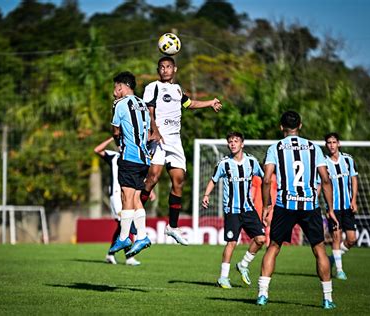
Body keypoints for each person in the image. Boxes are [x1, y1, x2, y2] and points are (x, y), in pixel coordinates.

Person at [257, 111, 339, 309]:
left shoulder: (275, 147)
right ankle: (327, 299)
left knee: (273, 247)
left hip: (285, 205)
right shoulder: (313, 147)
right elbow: (326, 179)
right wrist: (330, 209)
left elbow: (267, 179)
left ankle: (262, 294)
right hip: (309, 205)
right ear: (300, 125)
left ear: (281, 127)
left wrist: (267, 206)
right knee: (319, 250)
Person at [140, 56, 223, 245]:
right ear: (158, 70)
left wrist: (209, 103)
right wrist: (154, 130)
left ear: (175, 69)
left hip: (175, 140)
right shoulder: (152, 87)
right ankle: (135, 210)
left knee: (179, 180)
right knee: (153, 177)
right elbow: (149, 110)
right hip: (158, 137)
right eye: (161, 67)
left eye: (168, 67)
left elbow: (189, 104)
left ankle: (173, 227)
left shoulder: (177, 89)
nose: (165, 70)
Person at [202, 132, 266, 289]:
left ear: (242, 144)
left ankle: (243, 264)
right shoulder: (224, 163)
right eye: (230, 141)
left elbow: (266, 178)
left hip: (249, 209)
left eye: (236, 141)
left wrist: (269, 203)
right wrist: (206, 195)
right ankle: (223, 278)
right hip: (232, 210)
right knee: (231, 242)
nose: (233, 144)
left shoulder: (252, 162)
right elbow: (213, 179)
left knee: (261, 239)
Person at [108, 71, 151, 258]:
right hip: (144, 159)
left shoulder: (120, 104)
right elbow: (147, 131)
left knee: (126, 197)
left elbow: (116, 132)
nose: (114, 91)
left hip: (130, 156)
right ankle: (141, 236)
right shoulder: (142, 104)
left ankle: (125, 236)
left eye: (115, 87)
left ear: (121, 86)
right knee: (135, 199)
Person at [93, 137, 141, 266]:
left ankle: (111, 254)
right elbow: (97, 150)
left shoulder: (131, 157)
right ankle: (128, 257)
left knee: (122, 225)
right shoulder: (113, 156)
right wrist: (111, 138)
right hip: (116, 195)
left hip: (127, 195)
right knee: (124, 222)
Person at [324, 132, 358, 280]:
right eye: (329, 143)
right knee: (336, 237)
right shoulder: (324, 163)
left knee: (351, 239)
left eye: (333, 142)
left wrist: (354, 199)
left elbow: (354, 180)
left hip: (347, 206)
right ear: (326, 145)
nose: (331, 145)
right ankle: (339, 270)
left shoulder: (348, 160)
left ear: (339, 143)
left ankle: (332, 259)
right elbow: (321, 184)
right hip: (334, 207)